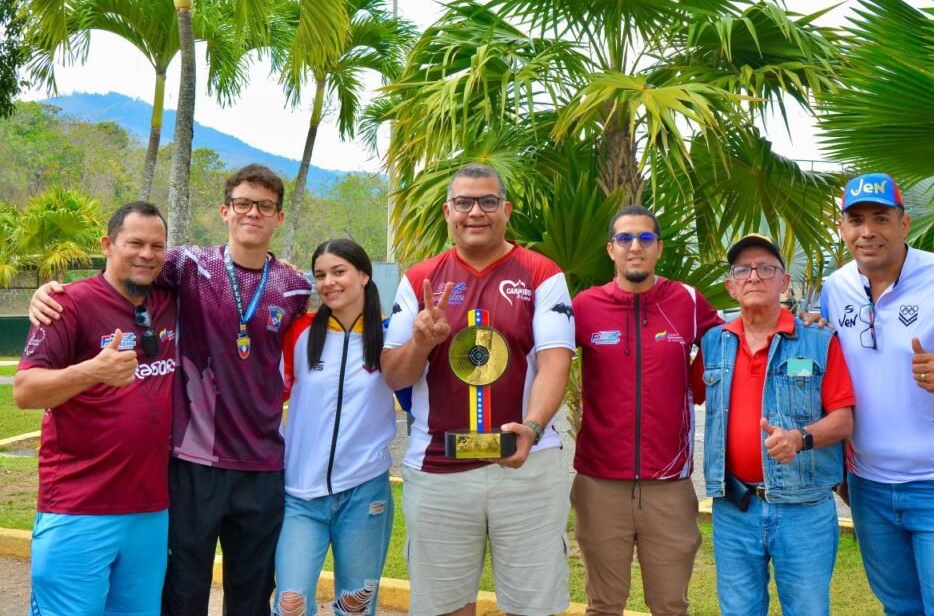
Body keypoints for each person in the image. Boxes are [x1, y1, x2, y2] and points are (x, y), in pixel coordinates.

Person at [29, 164, 312, 615]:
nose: (252, 213)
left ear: (279, 217)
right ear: (225, 210)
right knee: (182, 592)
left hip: (262, 464)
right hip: (194, 463)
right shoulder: (186, 265)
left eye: (265, 206)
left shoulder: (295, 287)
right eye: (242, 203)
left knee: (253, 593)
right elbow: (123, 270)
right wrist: (48, 294)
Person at [381, 163, 575, 616]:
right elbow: (394, 375)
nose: (476, 212)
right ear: (448, 212)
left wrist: (529, 427)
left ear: (505, 210)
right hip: (438, 468)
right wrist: (421, 342)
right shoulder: (419, 280)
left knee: (535, 606)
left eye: (488, 202)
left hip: (527, 464)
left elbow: (554, 363)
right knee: (444, 606)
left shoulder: (542, 274)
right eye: (464, 203)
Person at [820, 173, 934, 615]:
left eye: (881, 218)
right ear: (843, 229)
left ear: (904, 224)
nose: (868, 231)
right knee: (900, 609)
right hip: (870, 488)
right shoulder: (834, 289)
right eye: (856, 219)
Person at [14, 202, 176, 615]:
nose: (146, 254)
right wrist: (91, 370)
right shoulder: (66, 304)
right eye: (134, 243)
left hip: (150, 510)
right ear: (107, 245)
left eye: (157, 246)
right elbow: (26, 391)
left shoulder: (172, 299)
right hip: (78, 507)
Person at [571, 205, 721, 615]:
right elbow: (541, 362)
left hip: (669, 485)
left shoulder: (687, 301)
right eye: (625, 239)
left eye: (645, 239)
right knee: (603, 605)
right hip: (600, 483)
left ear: (659, 249)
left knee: (671, 605)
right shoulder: (585, 306)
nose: (635, 247)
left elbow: (732, 345)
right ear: (611, 249)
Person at [699, 233, 855, 615]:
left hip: (803, 509)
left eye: (766, 268)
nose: (754, 276)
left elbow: (843, 419)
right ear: (731, 286)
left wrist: (801, 438)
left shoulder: (819, 340)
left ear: (784, 283)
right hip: (734, 508)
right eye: (743, 270)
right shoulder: (712, 343)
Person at [275, 239, 396, 616]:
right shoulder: (299, 333)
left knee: (355, 608)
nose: (328, 282)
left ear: (363, 275)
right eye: (320, 275)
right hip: (300, 494)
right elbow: (272, 394)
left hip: (365, 494)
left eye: (339, 271)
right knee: (290, 604)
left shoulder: (392, 336)